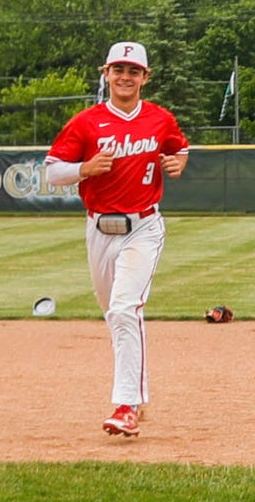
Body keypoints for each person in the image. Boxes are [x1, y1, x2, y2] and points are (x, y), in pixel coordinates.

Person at [42, 42, 188, 438]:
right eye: (118, 69)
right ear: (106, 73)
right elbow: (53, 172)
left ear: (145, 77)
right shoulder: (86, 122)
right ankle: (135, 395)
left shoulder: (159, 119)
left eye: (134, 70)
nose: (126, 76)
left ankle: (127, 405)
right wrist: (85, 169)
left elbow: (179, 148)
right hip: (99, 229)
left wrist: (177, 163)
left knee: (125, 310)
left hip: (143, 226)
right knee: (114, 312)